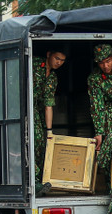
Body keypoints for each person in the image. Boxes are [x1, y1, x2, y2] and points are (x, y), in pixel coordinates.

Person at [32, 50, 67, 196]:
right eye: (57, 58)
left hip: (35, 110)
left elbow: (48, 104)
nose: (59, 62)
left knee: (41, 143)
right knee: (33, 143)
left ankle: (39, 181)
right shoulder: (33, 64)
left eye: (62, 60)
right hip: (22, 107)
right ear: (48, 54)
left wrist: (49, 130)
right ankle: (33, 181)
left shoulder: (52, 77)